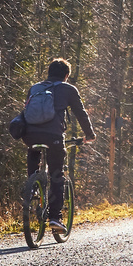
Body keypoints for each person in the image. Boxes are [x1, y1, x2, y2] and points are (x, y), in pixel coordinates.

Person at [22, 58, 96, 233]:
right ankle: (55, 218)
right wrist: (89, 134)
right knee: (57, 173)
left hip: (30, 134)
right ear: (66, 75)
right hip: (53, 136)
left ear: (49, 73)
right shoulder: (67, 88)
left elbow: (26, 111)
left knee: (33, 151)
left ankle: (32, 187)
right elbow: (80, 112)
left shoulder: (35, 88)